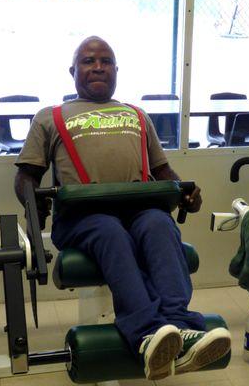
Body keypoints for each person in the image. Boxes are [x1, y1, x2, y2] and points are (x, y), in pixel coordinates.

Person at [14, 36, 231, 380]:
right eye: (88, 61)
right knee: (108, 229)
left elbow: (163, 173)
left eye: (105, 61)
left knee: (159, 223)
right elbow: (26, 177)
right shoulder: (50, 117)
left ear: (116, 70)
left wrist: (184, 191)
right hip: (82, 217)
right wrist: (34, 206)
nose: (98, 67)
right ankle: (146, 336)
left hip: (138, 210)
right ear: (73, 71)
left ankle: (180, 330)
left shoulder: (137, 115)